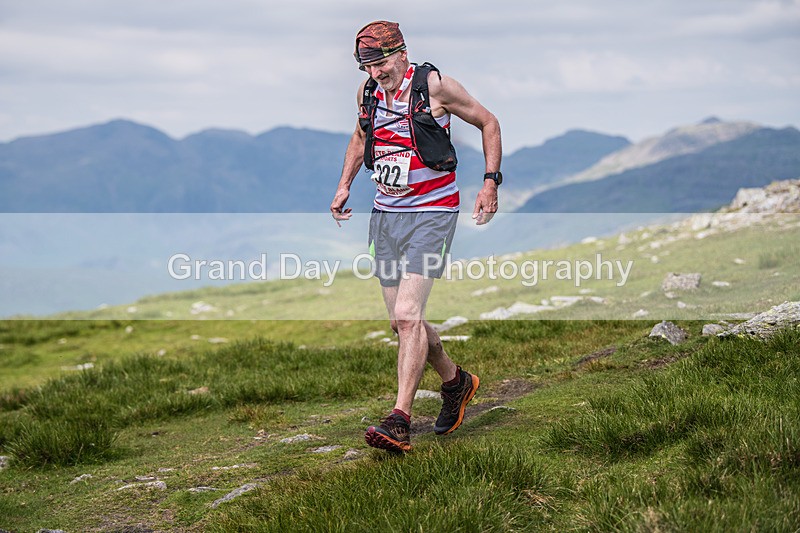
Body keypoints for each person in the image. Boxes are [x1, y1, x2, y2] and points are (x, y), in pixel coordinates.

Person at [330, 20, 502, 453]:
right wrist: (345, 183)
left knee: (408, 315)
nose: (376, 73)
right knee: (401, 322)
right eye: (367, 66)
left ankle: (399, 419)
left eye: (382, 62)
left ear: (402, 53)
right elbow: (360, 135)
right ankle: (456, 381)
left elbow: (489, 122)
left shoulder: (435, 87)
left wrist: (490, 183)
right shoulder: (368, 93)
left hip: (433, 214)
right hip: (386, 217)